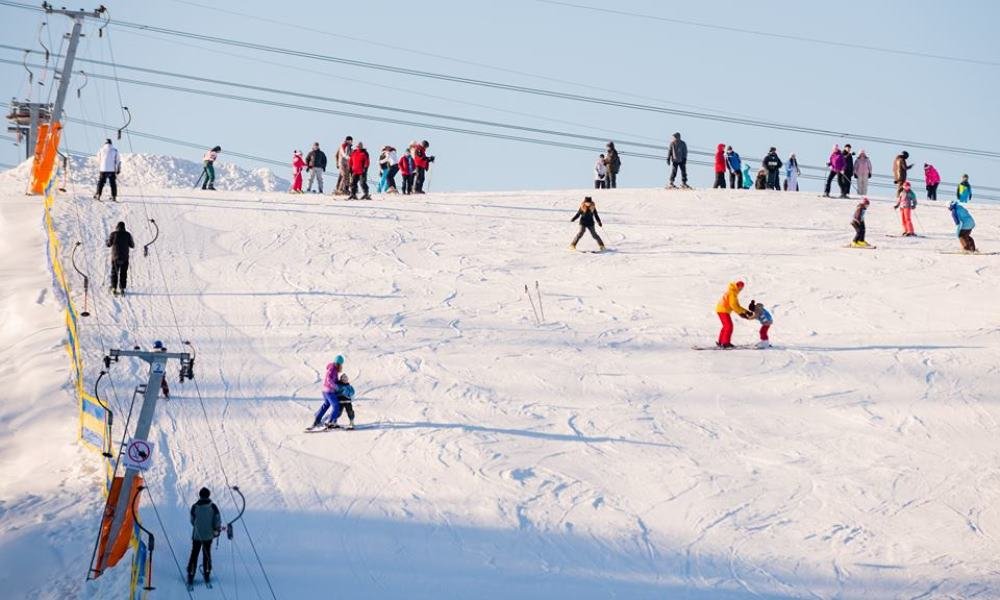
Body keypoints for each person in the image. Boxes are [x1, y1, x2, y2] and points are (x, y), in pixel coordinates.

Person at [187, 487, 222, 587]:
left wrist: (198, 526)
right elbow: (217, 520)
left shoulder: (195, 506)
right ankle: (207, 573)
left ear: (200, 495)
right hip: (208, 535)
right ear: (209, 495)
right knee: (207, 554)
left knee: (194, 554)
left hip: (197, 535)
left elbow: (192, 520)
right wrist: (216, 529)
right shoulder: (213, 507)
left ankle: (191, 574)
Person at [310, 356, 344, 429]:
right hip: (329, 391)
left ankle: (317, 419)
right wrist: (335, 386)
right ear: (338, 364)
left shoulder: (333, 368)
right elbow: (329, 379)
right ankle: (331, 422)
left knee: (326, 404)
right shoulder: (332, 369)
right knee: (336, 406)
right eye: (341, 364)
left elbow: (334, 379)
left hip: (325, 391)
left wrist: (339, 383)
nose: (341, 366)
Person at [715, 280, 750, 349]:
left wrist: (745, 311)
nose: (741, 289)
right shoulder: (732, 293)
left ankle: (721, 341)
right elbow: (733, 305)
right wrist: (742, 313)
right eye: (740, 287)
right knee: (729, 326)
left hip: (721, 310)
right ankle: (725, 343)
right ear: (737, 286)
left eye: (742, 288)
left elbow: (736, 306)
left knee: (726, 326)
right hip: (723, 310)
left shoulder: (732, 292)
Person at [106, 221, 134, 295]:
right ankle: (122, 288)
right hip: (125, 258)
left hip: (115, 258)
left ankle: (114, 287)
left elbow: (109, 244)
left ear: (117, 227)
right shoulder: (128, 234)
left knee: (114, 273)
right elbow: (132, 245)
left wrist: (107, 241)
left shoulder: (113, 234)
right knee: (123, 273)